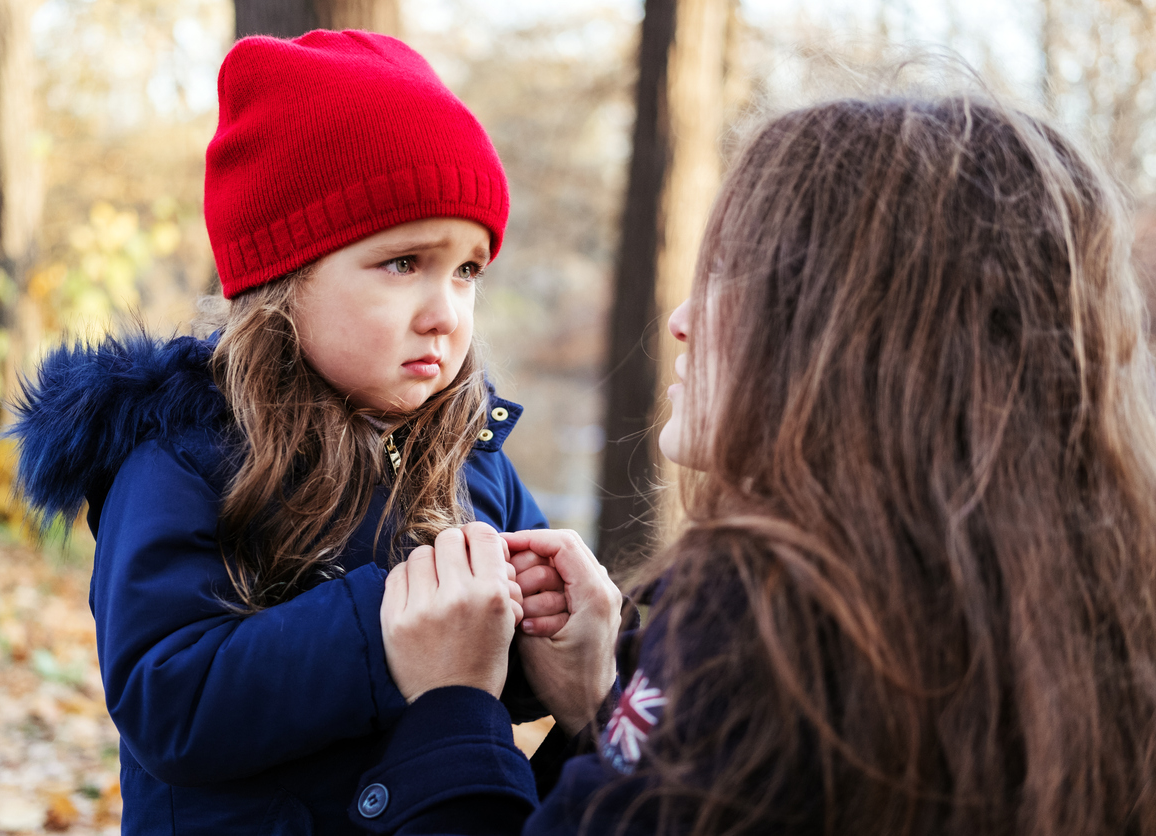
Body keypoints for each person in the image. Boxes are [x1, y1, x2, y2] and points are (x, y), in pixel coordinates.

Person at [349, 94, 1156, 836]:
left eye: (738, 275)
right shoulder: (1067, 622)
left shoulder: (772, 622)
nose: (680, 318)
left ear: (855, 334)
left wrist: (451, 707)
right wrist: (609, 708)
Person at [8, 29, 567, 835]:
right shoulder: (185, 459)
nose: (446, 313)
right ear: (284, 275)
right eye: (403, 262)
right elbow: (168, 701)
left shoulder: (472, 458)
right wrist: (384, 634)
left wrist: (553, 626)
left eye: (467, 270)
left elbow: (489, 673)